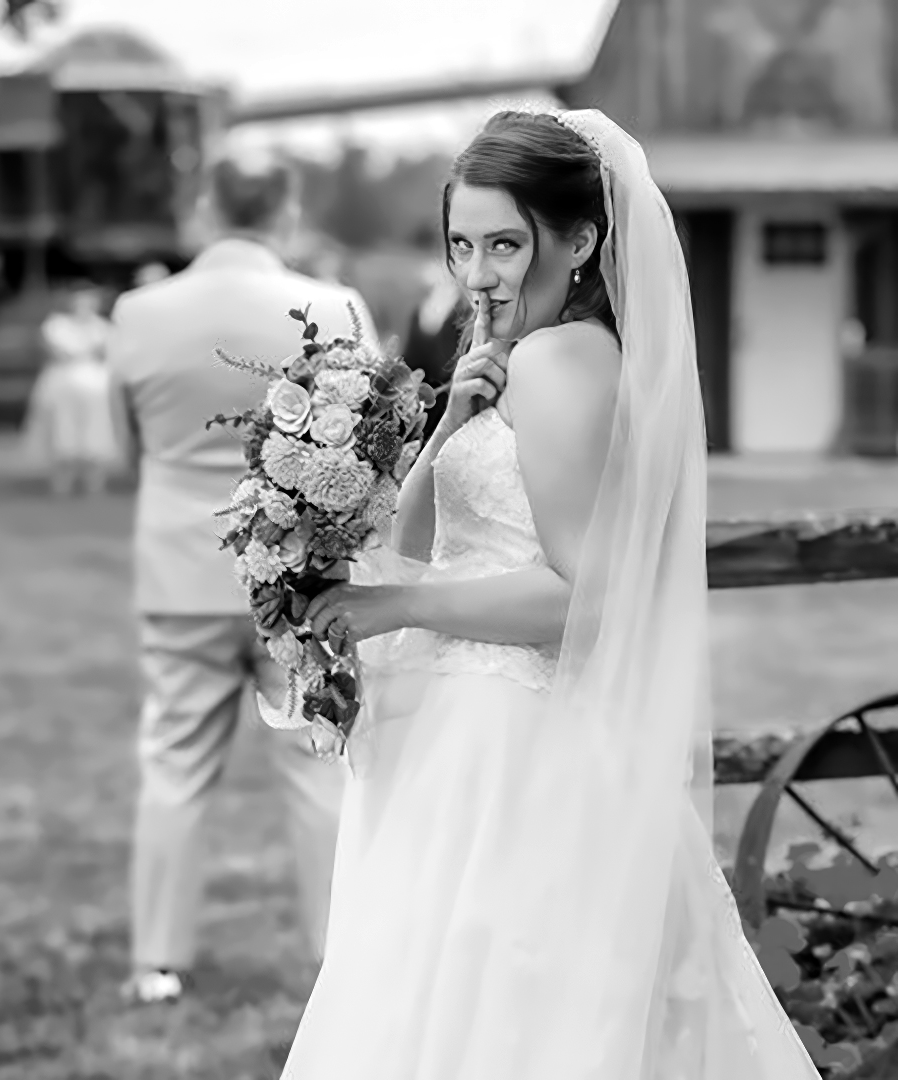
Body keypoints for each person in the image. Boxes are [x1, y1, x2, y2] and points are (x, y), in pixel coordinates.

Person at [279, 109, 821, 1078]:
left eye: (506, 245)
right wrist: (449, 427)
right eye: (460, 243)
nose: (479, 274)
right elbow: (424, 540)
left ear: (579, 241)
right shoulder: (513, 363)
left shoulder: (562, 360)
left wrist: (394, 609)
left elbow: (586, 603)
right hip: (469, 733)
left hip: (525, 750)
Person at [105, 147, 380, 1006]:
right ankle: (340, 959)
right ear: (286, 210)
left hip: (177, 571)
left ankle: (157, 962)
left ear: (204, 206)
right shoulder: (334, 306)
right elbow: (368, 456)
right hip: (298, 578)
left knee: (172, 762)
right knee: (316, 764)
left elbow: (125, 449)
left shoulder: (137, 311)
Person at [23, 283, 119, 495]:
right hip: (61, 385)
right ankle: (61, 487)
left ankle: (94, 488)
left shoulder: (103, 327)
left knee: (97, 435)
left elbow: (108, 354)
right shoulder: (55, 325)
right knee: (62, 433)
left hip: (96, 387)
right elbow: (58, 353)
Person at [400, 258, 470, 437]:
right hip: (419, 390)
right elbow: (410, 354)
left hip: (444, 392)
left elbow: (450, 358)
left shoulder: (463, 310)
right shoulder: (422, 306)